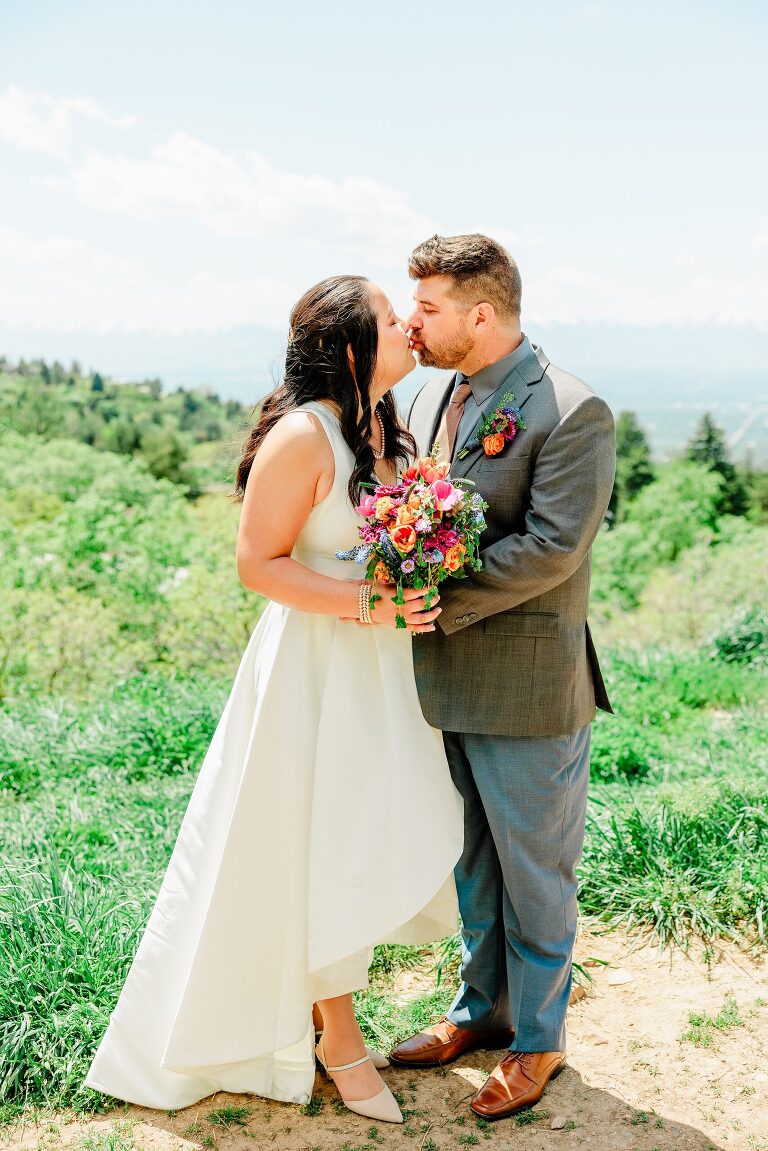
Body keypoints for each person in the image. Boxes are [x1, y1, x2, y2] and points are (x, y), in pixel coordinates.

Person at [84, 275, 464, 1125]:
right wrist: (373, 602)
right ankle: (339, 1037)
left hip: (377, 671)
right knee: (316, 841)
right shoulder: (305, 435)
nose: (407, 323)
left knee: (363, 831)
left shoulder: (381, 428)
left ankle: (326, 1014)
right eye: (386, 315)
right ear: (348, 345)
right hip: (313, 668)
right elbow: (257, 562)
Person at [390, 234, 616, 1122]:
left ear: (481, 315)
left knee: (535, 870)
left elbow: (554, 548)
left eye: (430, 308)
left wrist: (430, 593)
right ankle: (479, 1012)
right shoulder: (443, 388)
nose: (414, 322)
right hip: (447, 679)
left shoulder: (572, 408)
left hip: (527, 686)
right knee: (474, 864)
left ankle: (539, 1041)